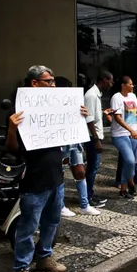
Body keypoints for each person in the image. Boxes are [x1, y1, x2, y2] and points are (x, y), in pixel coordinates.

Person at [6, 65, 88, 272]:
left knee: (51, 223)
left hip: (56, 178)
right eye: (49, 81)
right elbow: (13, 150)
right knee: (28, 227)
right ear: (34, 83)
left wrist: (79, 118)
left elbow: (72, 135)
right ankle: (21, 269)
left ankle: (44, 258)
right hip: (33, 181)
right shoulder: (20, 112)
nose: (53, 85)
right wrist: (12, 129)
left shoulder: (57, 108)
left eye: (53, 81)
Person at [53, 76, 101, 216]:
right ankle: (60, 206)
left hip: (74, 141)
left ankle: (84, 205)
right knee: (60, 172)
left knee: (80, 171)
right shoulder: (53, 105)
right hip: (62, 142)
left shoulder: (74, 103)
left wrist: (83, 115)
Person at [84, 71, 114, 207]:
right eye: (111, 81)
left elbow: (93, 115)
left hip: (95, 136)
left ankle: (90, 193)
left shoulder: (97, 95)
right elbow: (89, 119)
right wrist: (96, 140)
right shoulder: (91, 95)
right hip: (92, 137)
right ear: (104, 79)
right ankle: (88, 197)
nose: (111, 84)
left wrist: (103, 112)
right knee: (92, 167)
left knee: (93, 167)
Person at [110, 76, 137, 199]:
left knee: (128, 162)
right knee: (129, 160)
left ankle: (124, 189)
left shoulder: (133, 96)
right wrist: (131, 130)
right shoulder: (116, 97)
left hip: (134, 134)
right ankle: (130, 183)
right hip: (120, 134)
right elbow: (117, 118)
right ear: (123, 85)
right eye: (130, 84)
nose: (132, 86)